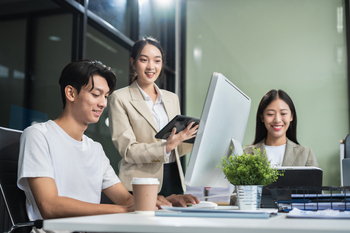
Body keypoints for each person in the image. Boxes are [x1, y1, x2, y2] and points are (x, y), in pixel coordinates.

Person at [17, 60, 196, 230]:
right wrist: (124, 210)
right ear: (71, 93)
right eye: (96, 95)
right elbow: (49, 206)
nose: (103, 103)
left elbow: (126, 199)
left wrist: (163, 201)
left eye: (106, 96)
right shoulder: (38, 135)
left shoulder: (95, 149)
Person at [108, 37, 199, 198]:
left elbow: (177, 148)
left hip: (173, 177)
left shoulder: (172, 98)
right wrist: (166, 147)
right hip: (140, 181)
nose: (151, 66)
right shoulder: (119, 98)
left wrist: (195, 137)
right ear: (133, 62)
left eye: (157, 61)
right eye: (144, 60)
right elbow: (128, 151)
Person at [244, 89, 318, 167]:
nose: (277, 120)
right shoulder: (246, 153)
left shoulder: (306, 154)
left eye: (283, 113)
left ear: (291, 116)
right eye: (270, 114)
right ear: (262, 117)